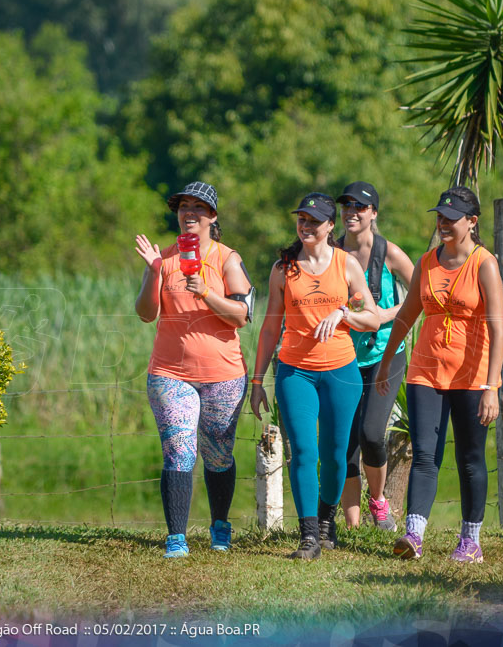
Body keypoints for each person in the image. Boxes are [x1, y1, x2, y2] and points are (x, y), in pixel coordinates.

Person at [375, 186, 503, 563]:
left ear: (472, 222)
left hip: (471, 374)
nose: (443, 223)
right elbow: (407, 314)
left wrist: (491, 386)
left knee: (470, 457)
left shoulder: (484, 264)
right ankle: (413, 535)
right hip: (425, 370)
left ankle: (470, 541)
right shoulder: (428, 261)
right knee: (424, 456)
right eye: (440, 217)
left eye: (452, 218)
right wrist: (386, 362)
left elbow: (499, 329)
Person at [250, 192, 380, 560]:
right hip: (295, 373)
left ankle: (326, 521)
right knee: (304, 453)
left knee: (336, 456)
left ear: (329, 226)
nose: (305, 226)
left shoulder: (347, 264)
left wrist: (343, 314)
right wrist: (257, 382)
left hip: (342, 373)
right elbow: (269, 328)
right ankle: (308, 536)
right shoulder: (283, 268)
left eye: (313, 221)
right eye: (301, 220)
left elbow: (371, 316)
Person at [134, 181, 255, 558]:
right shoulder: (165, 259)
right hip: (170, 374)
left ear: (212, 217)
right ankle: (176, 537)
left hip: (224, 375)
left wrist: (206, 292)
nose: (189, 213)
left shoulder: (227, 259)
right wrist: (155, 272)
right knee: (179, 451)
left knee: (218, 454)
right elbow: (145, 313)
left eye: (198, 208)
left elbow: (243, 315)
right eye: (183, 207)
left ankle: (220, 524)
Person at [335, 181, 415, 531]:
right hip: (341, 357)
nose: (352, 212)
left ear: (374, 214)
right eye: (347, 206)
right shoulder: (331, 252)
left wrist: (387, 314)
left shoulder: (390, 253)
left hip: (385, 355)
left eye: (360, 207)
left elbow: (422, 293)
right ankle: (352, 527)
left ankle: (379, 502)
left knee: (371, 434)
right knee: (345, 442)